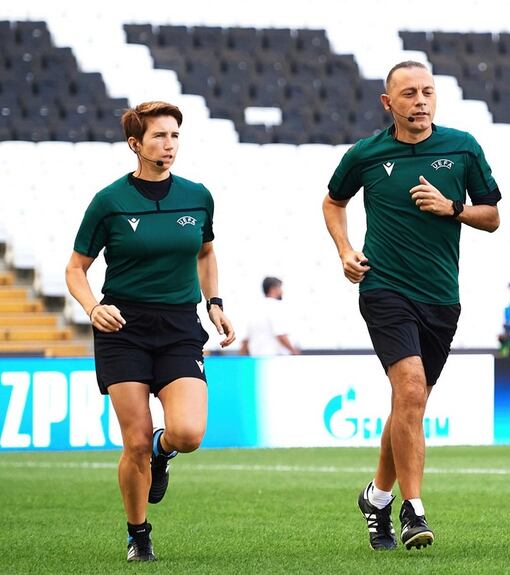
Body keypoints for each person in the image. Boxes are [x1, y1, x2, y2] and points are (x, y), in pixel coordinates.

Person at [322, 61, 501, 551]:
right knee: (411, 389)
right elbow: (332, 202)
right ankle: (412, 510)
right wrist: (345, 250)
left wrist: (453, 208)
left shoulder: (462, 147)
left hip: (442, 296)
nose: (420, 101)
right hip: (384, 290)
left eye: (427, 92)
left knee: (410, 405)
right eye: (408, 94)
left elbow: (493, 217)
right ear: (388, 103)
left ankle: (376, 497)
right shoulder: (366, 154)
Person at [65, 101, 235, 562]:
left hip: (180, 324)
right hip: (124, 327)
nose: (169, 144)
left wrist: (214, 303)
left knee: (187, 434)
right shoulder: (109, 202)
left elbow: (205, 253)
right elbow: (76, 268)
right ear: (135, 144)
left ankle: (165, 453)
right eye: (159, 136)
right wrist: (93, 307)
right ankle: (138, 534)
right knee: (134, 440)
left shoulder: (198, 195)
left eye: (175, 135)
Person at [239, 276, 299, 356]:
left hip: (257, 360)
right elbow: (280, 334)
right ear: (273, 289)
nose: (282, 291)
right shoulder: (276, 307)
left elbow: (246, 340)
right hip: (274, 359)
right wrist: (294, 351)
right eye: (280, 288)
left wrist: (241, 359)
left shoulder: (255, 310)